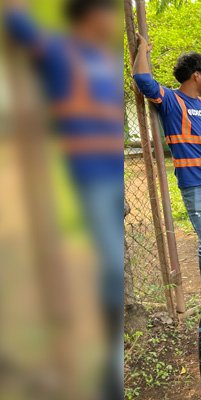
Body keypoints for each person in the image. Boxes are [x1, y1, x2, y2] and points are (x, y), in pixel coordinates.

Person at [5, 0, 123, 396]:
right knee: (108, 266)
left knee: (110, 265)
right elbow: (20, 25)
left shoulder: (102, 61)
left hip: (113, 172)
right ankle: (107, 364)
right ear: (91, 15)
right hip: (89, 176)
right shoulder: (62, 50)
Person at [133, 38, 201, 298]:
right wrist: (143, 50)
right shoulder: (171, 101)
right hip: (194, 184)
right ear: (196, 76)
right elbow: (143, 80)